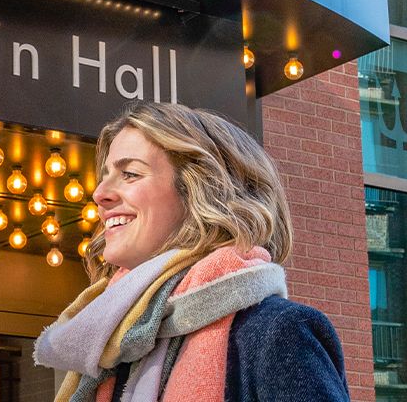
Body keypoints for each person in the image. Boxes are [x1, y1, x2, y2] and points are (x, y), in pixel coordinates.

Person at [34, 102, 350, 402]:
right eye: (105, 176)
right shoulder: (114, 349)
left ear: (201, 190)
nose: (99, 193)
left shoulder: (277, 333)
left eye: (130, 173)